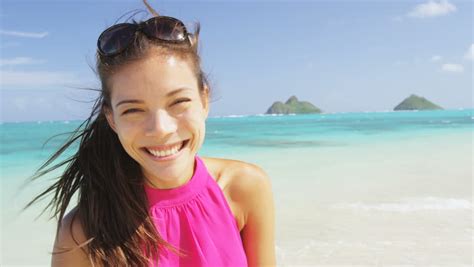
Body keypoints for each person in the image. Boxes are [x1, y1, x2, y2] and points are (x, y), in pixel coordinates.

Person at [26, 1, 276, 266]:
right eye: (133, 110)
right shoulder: (82, 233)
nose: (160, 129)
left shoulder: (245, 187)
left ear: (204, 99)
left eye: (178, 102)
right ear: (111, 118)